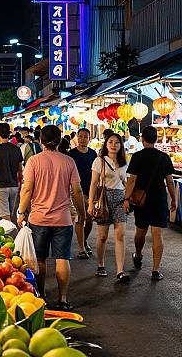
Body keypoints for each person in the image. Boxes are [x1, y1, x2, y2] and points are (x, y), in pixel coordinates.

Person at [18, 125, 85, 310]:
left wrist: (21, 211)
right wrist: (82, 212)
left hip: (38, 218)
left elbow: (27, 189)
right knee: (62, 258)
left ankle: (42, 295)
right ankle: (63, 298)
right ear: (60, 140)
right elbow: (77, 191)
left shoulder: (33, 161)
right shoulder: (69, 161)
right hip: (63, 219)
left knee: (39, 259)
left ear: (40, 140)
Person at [124, 126, 177, 280]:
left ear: (142, 139)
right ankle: (155, 270)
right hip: (159, 198)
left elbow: (132, 180)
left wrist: (126, 198)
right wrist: (173, 199)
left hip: (142, 200)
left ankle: (138, 254)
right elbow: (170, 181)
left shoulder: (137, 156)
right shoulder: (164, 157)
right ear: (157, 139)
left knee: (140, 230)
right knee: (157, 234)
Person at [87, 133, 129, 282]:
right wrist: (91, 203)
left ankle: (120, 270)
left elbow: (126, 183)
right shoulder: (99, 161)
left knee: (120, 235)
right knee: (103, 236)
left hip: (120, 199)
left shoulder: (125, 162)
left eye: (117, 142)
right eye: (110, 142)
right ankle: (100, 264)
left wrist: (127, 198)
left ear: (121, 145)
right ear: (106, 144)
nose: (113, 145)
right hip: (104, 199)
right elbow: (93, 183)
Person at [69, 128, 98, 259]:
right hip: (76, 191)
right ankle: (81, 249)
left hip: (90, 190)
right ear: (77, 138)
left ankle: (84, 240)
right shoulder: (71, 155)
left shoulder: (93, 154)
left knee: (90, 219)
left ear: (89, 138)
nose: (82, 139)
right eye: (80, 136)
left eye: (85, 137)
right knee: (81, 217)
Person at [0, 123, 23, 223]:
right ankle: (13, 234)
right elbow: (20, 170)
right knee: (11, 214)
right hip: (14, 186)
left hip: (1, 186)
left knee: (5, 216)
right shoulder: (16, 149)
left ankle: (9, 236)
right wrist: (20, 183)